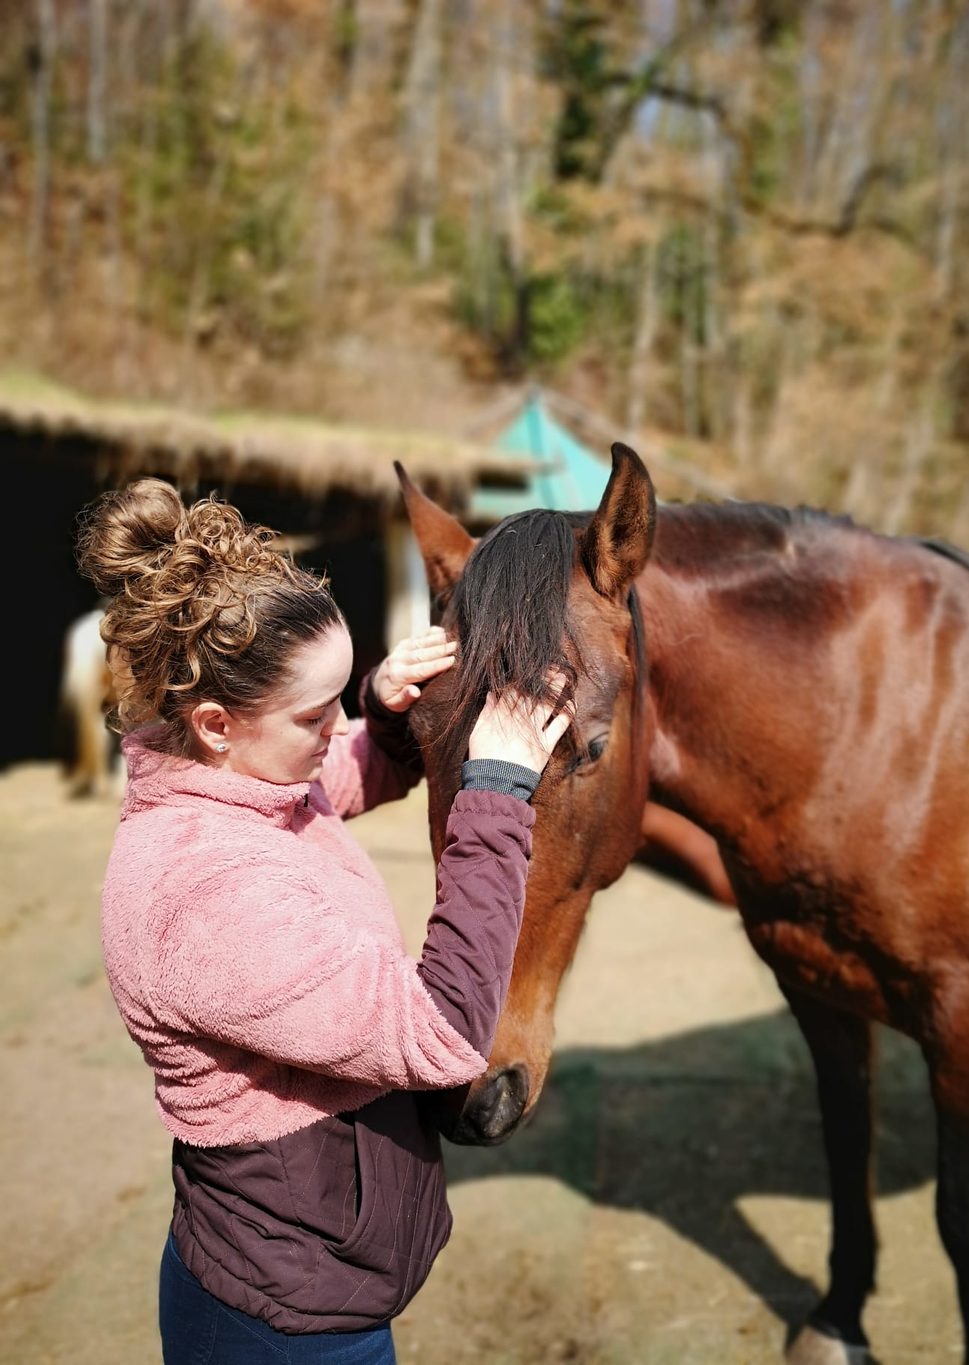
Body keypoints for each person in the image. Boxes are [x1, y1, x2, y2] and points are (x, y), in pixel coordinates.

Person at [77, 478, 572, 1365]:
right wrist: (497, 788)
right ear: (216, 723)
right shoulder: (203, 893)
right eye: (315, 714)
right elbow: (443, 1032)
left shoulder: (242, 782)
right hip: (284, 1325)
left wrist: (384, 711)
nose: (332, 729)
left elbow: (336, 778)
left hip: (317, 1281)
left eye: (341, 697)